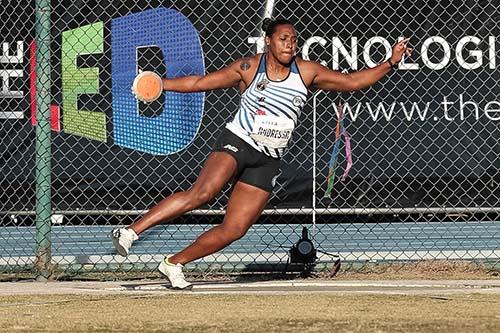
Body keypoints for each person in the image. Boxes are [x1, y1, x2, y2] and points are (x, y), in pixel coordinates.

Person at [112, 18, 412, 289]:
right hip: (238, 142)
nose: (290, 44)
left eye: (294, 39)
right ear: (268, 41)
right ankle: (130, 231)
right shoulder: (248, 68)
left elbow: (351, 83)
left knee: (235, 228)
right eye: (283, 38)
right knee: (203, 193)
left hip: (267, 158)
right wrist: (162, 85)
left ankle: (173, 264)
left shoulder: (307, 71)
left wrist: (390, 62)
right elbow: (201, 83)